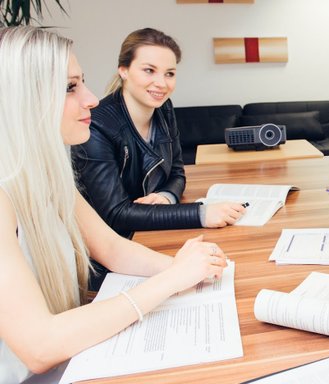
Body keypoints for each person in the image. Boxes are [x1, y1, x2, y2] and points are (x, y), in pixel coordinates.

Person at [0, 26, 228, 382]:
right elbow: (39, 346)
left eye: (82, 82)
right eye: (69, 88)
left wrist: (187, 268)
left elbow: (109, 247)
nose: (91, 98)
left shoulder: (45, 174)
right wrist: (171, 279)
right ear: (21, 99)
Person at [72, 28, 245, 241]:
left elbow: (176, 172)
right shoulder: (97, 125)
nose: (162, 83)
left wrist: (167, 197)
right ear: (123, 70)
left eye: (169, 73)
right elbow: (115, 214)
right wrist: (200, 213)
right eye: (149, 70)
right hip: (107, 247)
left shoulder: (164, 109)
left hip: (151, 232)